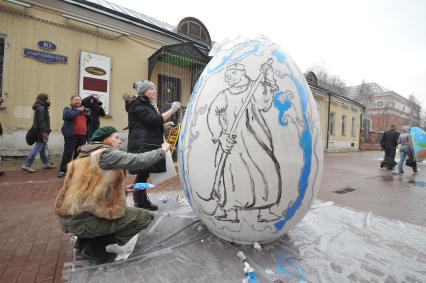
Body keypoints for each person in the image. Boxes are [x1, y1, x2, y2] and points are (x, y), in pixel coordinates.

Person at [54, 126, 171, 264]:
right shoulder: (106, 154)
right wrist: (162, 150)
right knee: (143, 217)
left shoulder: (82, 156)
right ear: (104, 139)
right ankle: (94, 247)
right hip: (84, 220)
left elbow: (89, 190)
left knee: (107, 215)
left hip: (71, 219)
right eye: (116, 137)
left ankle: (84, 240)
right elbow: (137, 160)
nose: (120, 142)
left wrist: (124, 189)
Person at [199, 61, 282, 223]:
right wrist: (221, 136)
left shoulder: (254, 88)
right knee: (229, 175)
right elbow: (212, 114)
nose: (228, 78)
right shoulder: (225, 95)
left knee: (265, 171)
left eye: (232, 75)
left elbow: (264, 104)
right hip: (231, 143)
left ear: (241, 73)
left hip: (255, 141)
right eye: (227, 76)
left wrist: (269, 78)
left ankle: (265, 211)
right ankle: (229, 212)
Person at [125, 80, 180, 211]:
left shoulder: (146, 104)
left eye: (154, 88)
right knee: (142, 175)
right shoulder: (139, 104)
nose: (154, 91)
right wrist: (172, 110)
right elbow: (153, 119)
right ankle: (140, 202)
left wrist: (164, 125)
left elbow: (149, 123)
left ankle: (141, 200)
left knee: (143, 175)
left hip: (145, 143)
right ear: (143, 91)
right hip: (142, 145)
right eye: (151, 89)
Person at [57, 96, 90, 177]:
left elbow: (90, 122)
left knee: (78, 153)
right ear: (71, 101)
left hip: (83, 135)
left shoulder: (84, 111)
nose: (78, 101)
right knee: (68, 152)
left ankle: (75, 169)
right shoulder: (68, 109)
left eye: (79, 100)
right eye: (76, 100)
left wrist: (88, 115)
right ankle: (63, 170)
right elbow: (67, 116)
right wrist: (79, 110)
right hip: (71, 135)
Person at [21, 93, 55, 173]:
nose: (49, 100)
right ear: (44, 99)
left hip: (40, 131)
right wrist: (45, 131)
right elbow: (41, 121)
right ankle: (26, 165)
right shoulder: (41, 108)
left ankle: (46, 163)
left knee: (42, 149)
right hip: (41, 131)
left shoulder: (41, 107)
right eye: (48, 98)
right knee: (37, 148)